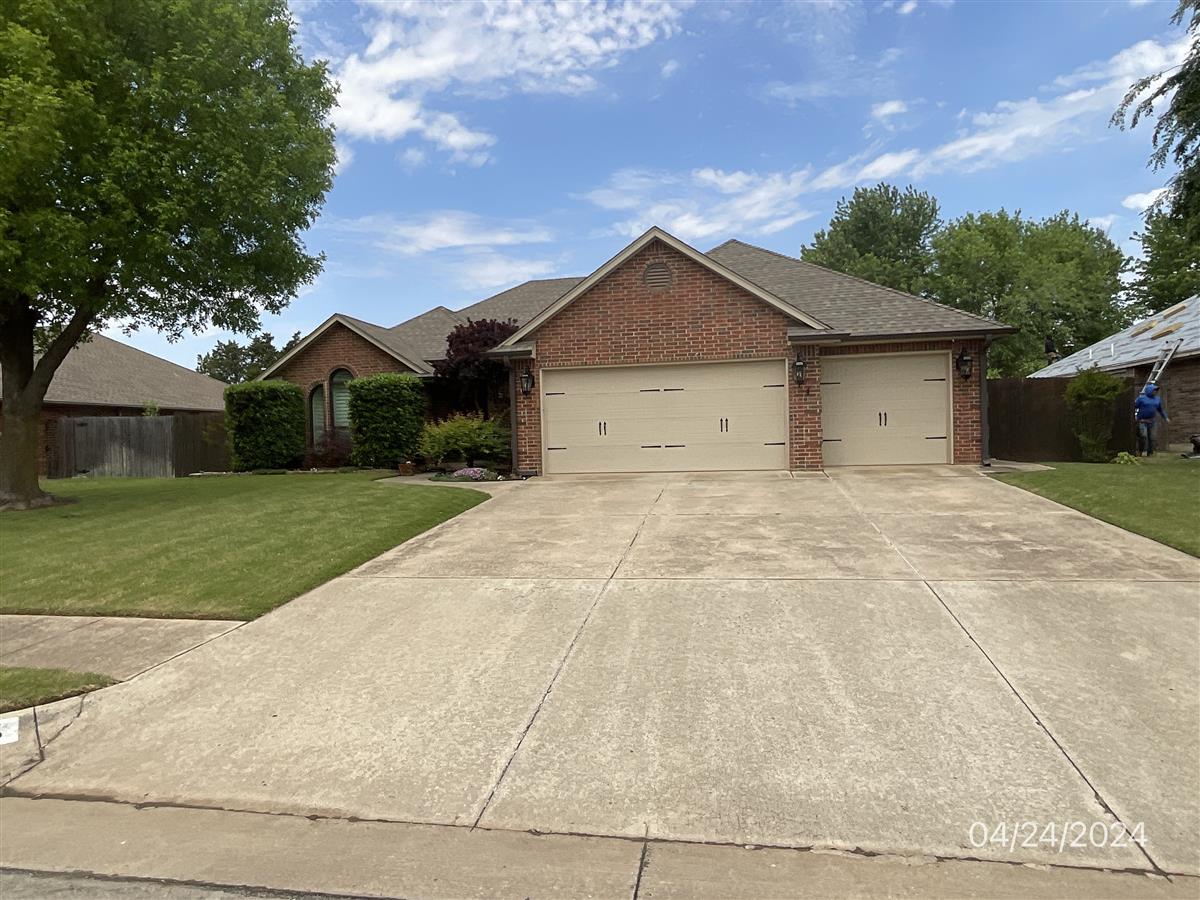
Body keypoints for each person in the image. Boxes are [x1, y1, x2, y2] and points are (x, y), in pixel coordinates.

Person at [1134, 382, 1170, 456]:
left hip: (1152, 421)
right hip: (1142, 421)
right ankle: (1140, 451)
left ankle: (1150, 453)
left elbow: (1160, 410)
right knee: (1143, 436)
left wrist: (1165, 417)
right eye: (1154, 390)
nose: (1155, 392)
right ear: (1149, 390)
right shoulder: (1141, 399)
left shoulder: (1157, 399)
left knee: (1152, 438)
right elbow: (1133, 406)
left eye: (1156, 390)